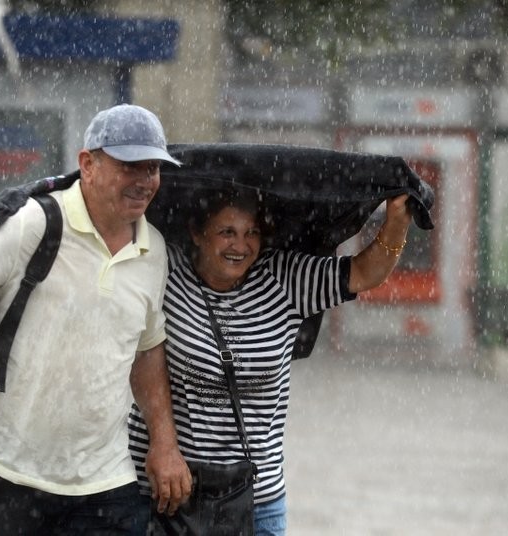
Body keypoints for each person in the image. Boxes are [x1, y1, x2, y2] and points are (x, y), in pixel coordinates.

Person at [0, 104, 192, 535]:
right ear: (88, 164)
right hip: (3, 475)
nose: (144, 181)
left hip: (105, 484)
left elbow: (147, 350)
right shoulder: (33, 221)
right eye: (130, 165)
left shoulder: (154, 250)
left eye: (152, 168)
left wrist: (164, 444)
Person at [126, 186, 413, 535]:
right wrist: (163, 444)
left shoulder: (284, 277)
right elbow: (142, 352)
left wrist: (397, 220)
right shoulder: (164, 270)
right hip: (167, 492)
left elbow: (365, 273)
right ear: (197, 233)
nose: (240, 245)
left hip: (256, 500)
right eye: (226, 232)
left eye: (252, 233)